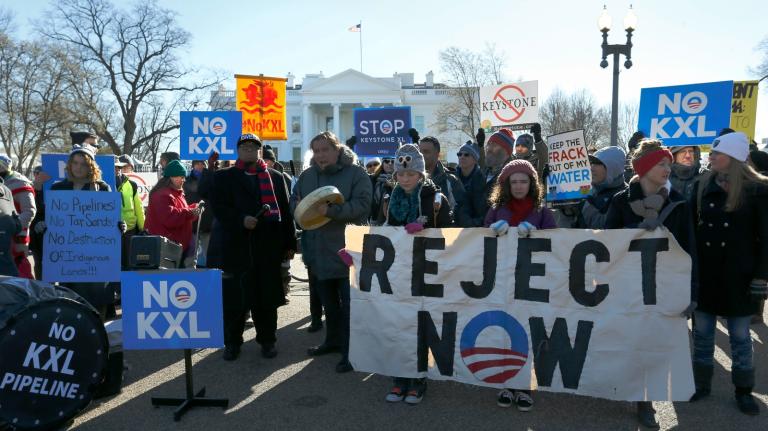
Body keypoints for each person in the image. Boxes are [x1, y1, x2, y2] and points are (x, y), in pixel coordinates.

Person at [605, 139, 698, 429]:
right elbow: (606, 243)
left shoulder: (678, 204)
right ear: (643, 167)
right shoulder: (620, 202)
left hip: (665, 286)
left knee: (657, 342)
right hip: (629, 285)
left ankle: (650, 397)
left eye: (669, 163)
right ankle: (641, 399)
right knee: (633, 340)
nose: (667, 168)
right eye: (661, 163)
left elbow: (690, 251)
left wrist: (692, 291)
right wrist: (633, 234)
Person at [689, 132, 767, 416]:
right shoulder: (701, 186)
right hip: (708, 276)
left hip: (740, 277)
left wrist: (762, 277)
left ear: (732, 158)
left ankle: (744, 390)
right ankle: (701, 385)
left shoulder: (758, 191)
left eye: (716, 153)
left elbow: (766, 239)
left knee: (740, 336)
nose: (710, 157)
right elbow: (689, 229)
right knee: (703, 334)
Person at [290, 131, 372, 373]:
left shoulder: (356, 174)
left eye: (325, 150)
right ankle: (332, 341)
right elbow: (296, 202)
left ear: (337, 150)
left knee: (350, 307)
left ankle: (351, 351)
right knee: (329, 305)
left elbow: (363, 206)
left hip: (348, 253)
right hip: (318, 252)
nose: (321, 155)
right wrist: (299, 208)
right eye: (316, 151)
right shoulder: (307, 176)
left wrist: (332, 212)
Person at [375, 143, 450, 405]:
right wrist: (358, 255)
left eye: (411, 174)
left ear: (421, 174)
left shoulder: (435, 198)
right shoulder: (389, 199)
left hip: (426, 271)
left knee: (419, 325)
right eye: (401, 174)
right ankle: (399, 377)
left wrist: (428, 226)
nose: (405, 179)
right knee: (398, 324)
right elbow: (378, 232)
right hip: (398, 271)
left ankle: (417, 378)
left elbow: (450, 233)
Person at [211, 134, 297, 361]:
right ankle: (232, 343)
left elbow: (286, 213)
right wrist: (240, 220)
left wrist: (289, 243)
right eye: (245, 146)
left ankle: (267, 341)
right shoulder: (225, 177)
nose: (249, 150)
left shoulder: (276, 177)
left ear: (260, 151)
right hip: (236, 248)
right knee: (235, 302)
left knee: (266, 301)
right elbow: (218, 208)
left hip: (267, 248)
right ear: (238, 151)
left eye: (254, 147)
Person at [483, 159, 556, 412]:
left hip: (532, 283)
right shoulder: (495, 210)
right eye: (513, 182)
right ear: (505, 185)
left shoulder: (544, 212)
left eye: (523, 181)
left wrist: (537, 234)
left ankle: (524, 386)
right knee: (503, 329)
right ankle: (504, 381)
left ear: (532, 183)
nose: (518, 186)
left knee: (527, 331)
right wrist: (492, 232)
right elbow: (480, 242)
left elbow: (556, 245)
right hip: (502, 282)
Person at [49, 145, 116, 318]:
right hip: (69, 260)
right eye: (75, 163)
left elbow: (110, 220)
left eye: (83, 164)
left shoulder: (102, 188)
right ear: (69, 166)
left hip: (96, 259)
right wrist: (43, 225)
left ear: (91, 167)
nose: (78, 168)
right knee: (71, 309)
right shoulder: (57, 190)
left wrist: (118, 226)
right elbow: (47, 219)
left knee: (96, 308)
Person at [144, 160, 201, 265]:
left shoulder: (176, 193)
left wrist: (193, 210)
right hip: (166, 249)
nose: (184, 180)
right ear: (171, 177)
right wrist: (190, 212)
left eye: (184, 177)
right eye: (181, 177)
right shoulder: (162, 195)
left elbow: (180, 212)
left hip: (175, 247)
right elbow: (169, 218)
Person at [418, 136, 469, 226]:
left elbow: (460, 214)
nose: (421, 155)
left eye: (426, 152)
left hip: (442, 235)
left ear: (437, 154)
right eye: (419, 152)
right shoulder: (410, 179)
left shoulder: (451, 180)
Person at [0, 155, 36, 278]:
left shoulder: (20, 184)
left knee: (19, 271)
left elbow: (29, 211)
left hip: (15, 236)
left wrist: (13, 226)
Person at [574, 146, 627, 229]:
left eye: (597, 163)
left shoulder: (626, 195)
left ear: (612, 167)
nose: (591, 168)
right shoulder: (587, 189)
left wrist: (583, 204)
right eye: (591, 163)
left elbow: (605, 227)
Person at [747, 149, 768, 324]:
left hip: (759, 234)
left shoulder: (760, 184)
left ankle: (757, 312)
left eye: (749, 161)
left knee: (758, 274)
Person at [114, 156, 145, 266]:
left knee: (129, 263)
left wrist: (142, 228)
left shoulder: (132, 184)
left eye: (119, 167)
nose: (117, 170)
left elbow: (138, 207)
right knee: (115, 264)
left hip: (130, 230)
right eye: (114, 167)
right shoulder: (102, 185)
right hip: (111, 231)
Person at [455, 141, 486, 227]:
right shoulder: (452, 178)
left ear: (475, 160)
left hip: (474, 230)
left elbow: (482, 212)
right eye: (459, 154)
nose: (462, 157)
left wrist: (471, 224)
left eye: (466, 155)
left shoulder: (481, 180)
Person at [29, 165, 45, 279]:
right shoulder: (29, 188)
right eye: (36, 173)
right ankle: (40, 285)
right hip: (34, 232)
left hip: (49, 230)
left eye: (39, 173)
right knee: (38, 261)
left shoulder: (50, 189)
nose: (37, 175)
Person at [369, 157, 395, 223]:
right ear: (382, 163)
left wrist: (394, 187)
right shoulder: (372, 178)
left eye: (393, 161)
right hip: (373, 219)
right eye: (386, 161)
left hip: (392, 220)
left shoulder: (401, 180)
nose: (390, 163)